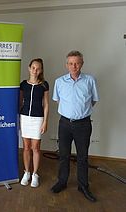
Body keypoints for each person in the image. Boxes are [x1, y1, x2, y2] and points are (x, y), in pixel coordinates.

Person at [51, 50, 99, 202]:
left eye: (77, 63)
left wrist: (80, 112)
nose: (74, 66)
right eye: (71, 63)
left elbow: (94, 100)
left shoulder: (90, 80)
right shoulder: (59, 82)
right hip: (64, 124)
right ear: (67, 65)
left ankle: (83, 186)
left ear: (82, 64)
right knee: (63, 155)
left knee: (82, 157)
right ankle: (62, 182)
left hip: (83, 125)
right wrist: (70, 112)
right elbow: (58, 100)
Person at [19, 58, 49, 187]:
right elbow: (19, 102)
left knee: (35, 148)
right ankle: (27, 172)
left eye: (38, 68)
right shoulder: (23, 84)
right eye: (33, 68)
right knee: (26, 147)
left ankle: (35, 174)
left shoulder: (44, 85)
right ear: (29, 68)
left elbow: (46, 105)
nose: (35, 71)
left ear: (41, 70)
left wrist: (45, 122)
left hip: (38, 119)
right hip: (25, 118)